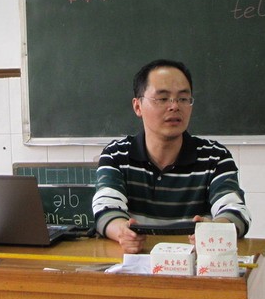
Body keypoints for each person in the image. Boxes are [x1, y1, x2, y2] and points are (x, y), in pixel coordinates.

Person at [92, 59, 251, 253]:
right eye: (162, 98)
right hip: (136, 262)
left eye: (183, 99)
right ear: (138, 106)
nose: (175, 106)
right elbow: (105, 209)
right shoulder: (116, 155)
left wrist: (215, 229)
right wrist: (121, 232)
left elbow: (235, 211)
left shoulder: (215, 157)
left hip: (195, 265)